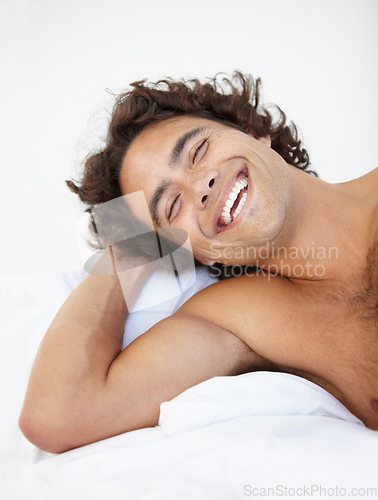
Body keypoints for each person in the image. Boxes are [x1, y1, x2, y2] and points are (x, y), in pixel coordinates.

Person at [19, 72, 377, 453]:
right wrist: (127, 241)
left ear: (252, 131)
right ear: (188, 251)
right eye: (172, 205)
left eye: (198, 151)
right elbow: (59, 412)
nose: (200, 187)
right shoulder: (243, 320)